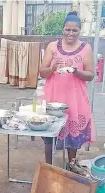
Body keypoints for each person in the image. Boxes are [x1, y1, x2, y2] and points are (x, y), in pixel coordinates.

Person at [40, 11, 95, 168]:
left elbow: (91, 75)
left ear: (79, 31)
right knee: (50, 133)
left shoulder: (86, 48)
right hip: (53, 97)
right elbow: (42, 72)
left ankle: (71, 164)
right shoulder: (52, 47)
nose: (70, 33)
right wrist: (52, 68)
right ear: (63, 29)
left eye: (74, 30)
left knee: (73, 134)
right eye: (67, 30)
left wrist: (76, 71)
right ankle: (48, 166)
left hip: (76, 99)